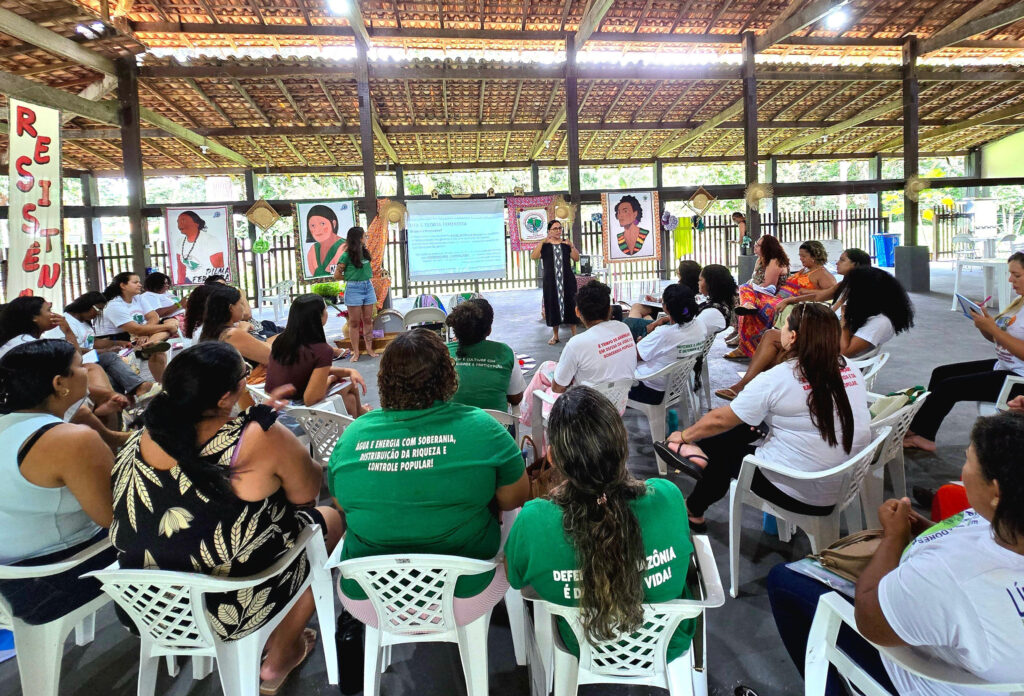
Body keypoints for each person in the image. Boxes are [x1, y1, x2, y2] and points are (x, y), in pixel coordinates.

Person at [110, 342, 343, 693]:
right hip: (227, 606)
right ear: (224, 397)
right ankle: (281, 651)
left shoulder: (137, 437)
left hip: (147, 606)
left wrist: (250, 420)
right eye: (243, 377)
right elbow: (306, 494)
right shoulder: (255, 439)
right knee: (331, 520)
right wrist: (270, 432)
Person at [767, 412, 1024, 696]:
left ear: (996, 491)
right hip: (973, 654)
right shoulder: (1010, 522)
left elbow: (871, 621)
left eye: (968, 460)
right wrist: (929, 531)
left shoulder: (951, 576)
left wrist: (894, 537)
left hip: (930, 678)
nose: (962, 470)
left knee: (785, 582)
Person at [327, 329, 528, 624]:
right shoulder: (484, 427)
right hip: (467, 592)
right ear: (449, 376)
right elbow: (514, 499)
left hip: (371, 597)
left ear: (383, 379)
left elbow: (341, 504)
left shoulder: (353, 435)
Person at [505, 386, 695, 659]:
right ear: (624, 441)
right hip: (666, 644)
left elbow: (515, 577)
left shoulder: (535, 519)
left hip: (582, 645)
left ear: (553, 457)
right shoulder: (667, 497)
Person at [658, 304, 870, 532]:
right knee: (744, 427)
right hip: (843, 481)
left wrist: (684, 435)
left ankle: (693, 506)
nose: (780, 330)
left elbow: (722, 419)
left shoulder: (780, 377)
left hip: (800, 490)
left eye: (784, 325)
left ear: (793, 336)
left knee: (725, 454)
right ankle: (699, 452)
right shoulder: (849, 368)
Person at [0, 340, 118, 625]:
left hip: (9, 577)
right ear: (59, 383)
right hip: (51, 579)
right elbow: (114, 518)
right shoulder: (70, 439)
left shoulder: (12, 427)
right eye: (80, 366)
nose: (87, 371)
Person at [717, 266, 914, 401]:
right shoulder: (871, 312)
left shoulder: (881, 322)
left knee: (776, 344)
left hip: (836, 361)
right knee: (773, 337)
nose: (850, 293)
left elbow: (845, 351)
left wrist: (845, 321)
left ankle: (749, 388)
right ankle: (752, 388)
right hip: (829, 346)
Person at [905, 252, 1024, 451]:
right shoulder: (1019, 303)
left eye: (1017, 275)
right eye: (1010, 274)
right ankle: (919, 428)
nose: (1010, 279)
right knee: (941, 373)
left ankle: (923, 436)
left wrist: (993, 328)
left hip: (1018, 381)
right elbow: (997, 340)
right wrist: (984, 325)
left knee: (949, 387)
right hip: (1005, 366)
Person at [520, 280, 637, 428]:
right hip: (617, 405)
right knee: (546, 368)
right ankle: (527, 418)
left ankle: (528, 423)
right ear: (609, 310)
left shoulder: (577, 344)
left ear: (577, 312)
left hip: (586, 412)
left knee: (546, 388)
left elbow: (558, 388)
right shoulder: (623, 328)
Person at [727, 240, 836, 360]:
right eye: (800, 255)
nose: (800, 258)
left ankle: (745, 347)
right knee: (745, 288)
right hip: (777, 298)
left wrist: (809, 292)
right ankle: (748, 309)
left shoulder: (822, 274)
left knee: (752, 308)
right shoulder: (805, 269)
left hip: (786, 303)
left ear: (815, 256)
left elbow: (831, 294)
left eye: (804, 256)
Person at [264, 294, 367, 417]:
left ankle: (359, 414)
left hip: (275, 405)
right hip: (296, 411)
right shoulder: (321, 350)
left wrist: (347, 371)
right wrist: (331, 378)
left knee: (349, 400)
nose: (327, 313)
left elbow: (306, 371)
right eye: (325, 310)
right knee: (349, 385)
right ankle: (360, 414)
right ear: (318, 317)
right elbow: (310, 399)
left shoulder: (282, 340)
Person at [63, 292, 157, 403]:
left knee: (113, 373)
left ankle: (122, 403)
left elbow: (92, 341)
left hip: (89, 358)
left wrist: (118, 343)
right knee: (110, 357)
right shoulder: (66, 322)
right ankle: (140, 387)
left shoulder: (84, 322)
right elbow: (70, 349)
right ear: (87, 305)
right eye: (98, 310)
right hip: (74, 361)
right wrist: (105, 351)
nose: (98, 314)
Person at [628, 285, 706, 406]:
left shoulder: (664, 333)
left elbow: (633, 356)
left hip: (650, 390)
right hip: (676, 386)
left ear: (666, 308)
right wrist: (664, 319)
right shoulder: (700, 325)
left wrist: (640, 341)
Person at [95, 272, 177, 383]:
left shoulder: (138, 298)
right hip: (120, 338)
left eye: (139, 282)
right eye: (135, 282)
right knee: (168, 328)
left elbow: (154, 316)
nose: (140, 285)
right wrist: (168, 327)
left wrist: (145, 334)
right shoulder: (114, 305)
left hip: (140, 334)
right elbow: (135, 329)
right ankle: (162, 382)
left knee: (170, 324)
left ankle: (151, 343)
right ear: (123, 285)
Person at [445, 298, 525, 411]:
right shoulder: (505, 352)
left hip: (450, 427)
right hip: (497, 426)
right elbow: (516, 398)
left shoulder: (441, 353)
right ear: (489, 330)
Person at [199, 284, 273, 381]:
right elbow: (272, 357)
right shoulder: (231, 333)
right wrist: (242, 330)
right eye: (241, 304)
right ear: (231, 308)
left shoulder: (211, 331)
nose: (243, 308)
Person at [774, 247, 872, 313]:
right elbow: (818, 296)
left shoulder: (861, 289)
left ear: (856, 264)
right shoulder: (844, 284)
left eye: (842, 260)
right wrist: (789, 300)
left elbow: (838, 312)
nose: (837, 263)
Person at [625, 260, 702, 340]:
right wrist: (656, 300)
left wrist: (664, 317)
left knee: (635, 320)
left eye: (678, 270)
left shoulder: (690, 291)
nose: (677, 271)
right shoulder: (683, 287)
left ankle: (635, 335)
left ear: (684, 274)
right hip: (667, 312)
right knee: (637, 307)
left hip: (672, 314)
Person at [531, 220, 580, 345]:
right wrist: (542, 242)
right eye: (555, 228)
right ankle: (556, 335)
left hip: (567, 280)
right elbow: (534, 256)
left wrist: (572, 245)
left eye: (560, 228)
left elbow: (576, 258)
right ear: (549, 231)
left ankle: (574, 335)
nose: (558, 231)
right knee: (553, 306)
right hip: (551, 282)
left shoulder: (565, 244)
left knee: (570, 304)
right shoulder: (545, 245)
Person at [333, 226, 377, 362]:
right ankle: (356, 352)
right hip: (353, 289)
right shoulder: (346, 255)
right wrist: (351, 278)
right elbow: (337, 275)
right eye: (364, 236)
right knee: (354, 322)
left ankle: (369, 348)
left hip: (368, 286)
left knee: (368, 319)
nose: (366, 238)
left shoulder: (365, 253)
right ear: (358, 239)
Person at [174, 210, 227, 284]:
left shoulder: (210, 240)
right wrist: (180, 283)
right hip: (189, 280)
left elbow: (219, 267)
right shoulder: (179, 242)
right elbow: (181, 268)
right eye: (178, 221)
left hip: (209, 282)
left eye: (183, 220)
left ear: (196, 224)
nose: (179, 224)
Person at [695, 263, 737, 336]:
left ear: (710, 283)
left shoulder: (713, 311)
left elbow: (692, 333)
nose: (698, 283)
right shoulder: (722, 302)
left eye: (700, 280)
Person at [305, 205, 346, 277]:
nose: (317, 230)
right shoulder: (313, 249)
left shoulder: (345, 246)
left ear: (333, 223)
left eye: (322, 224)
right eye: (312, 225)